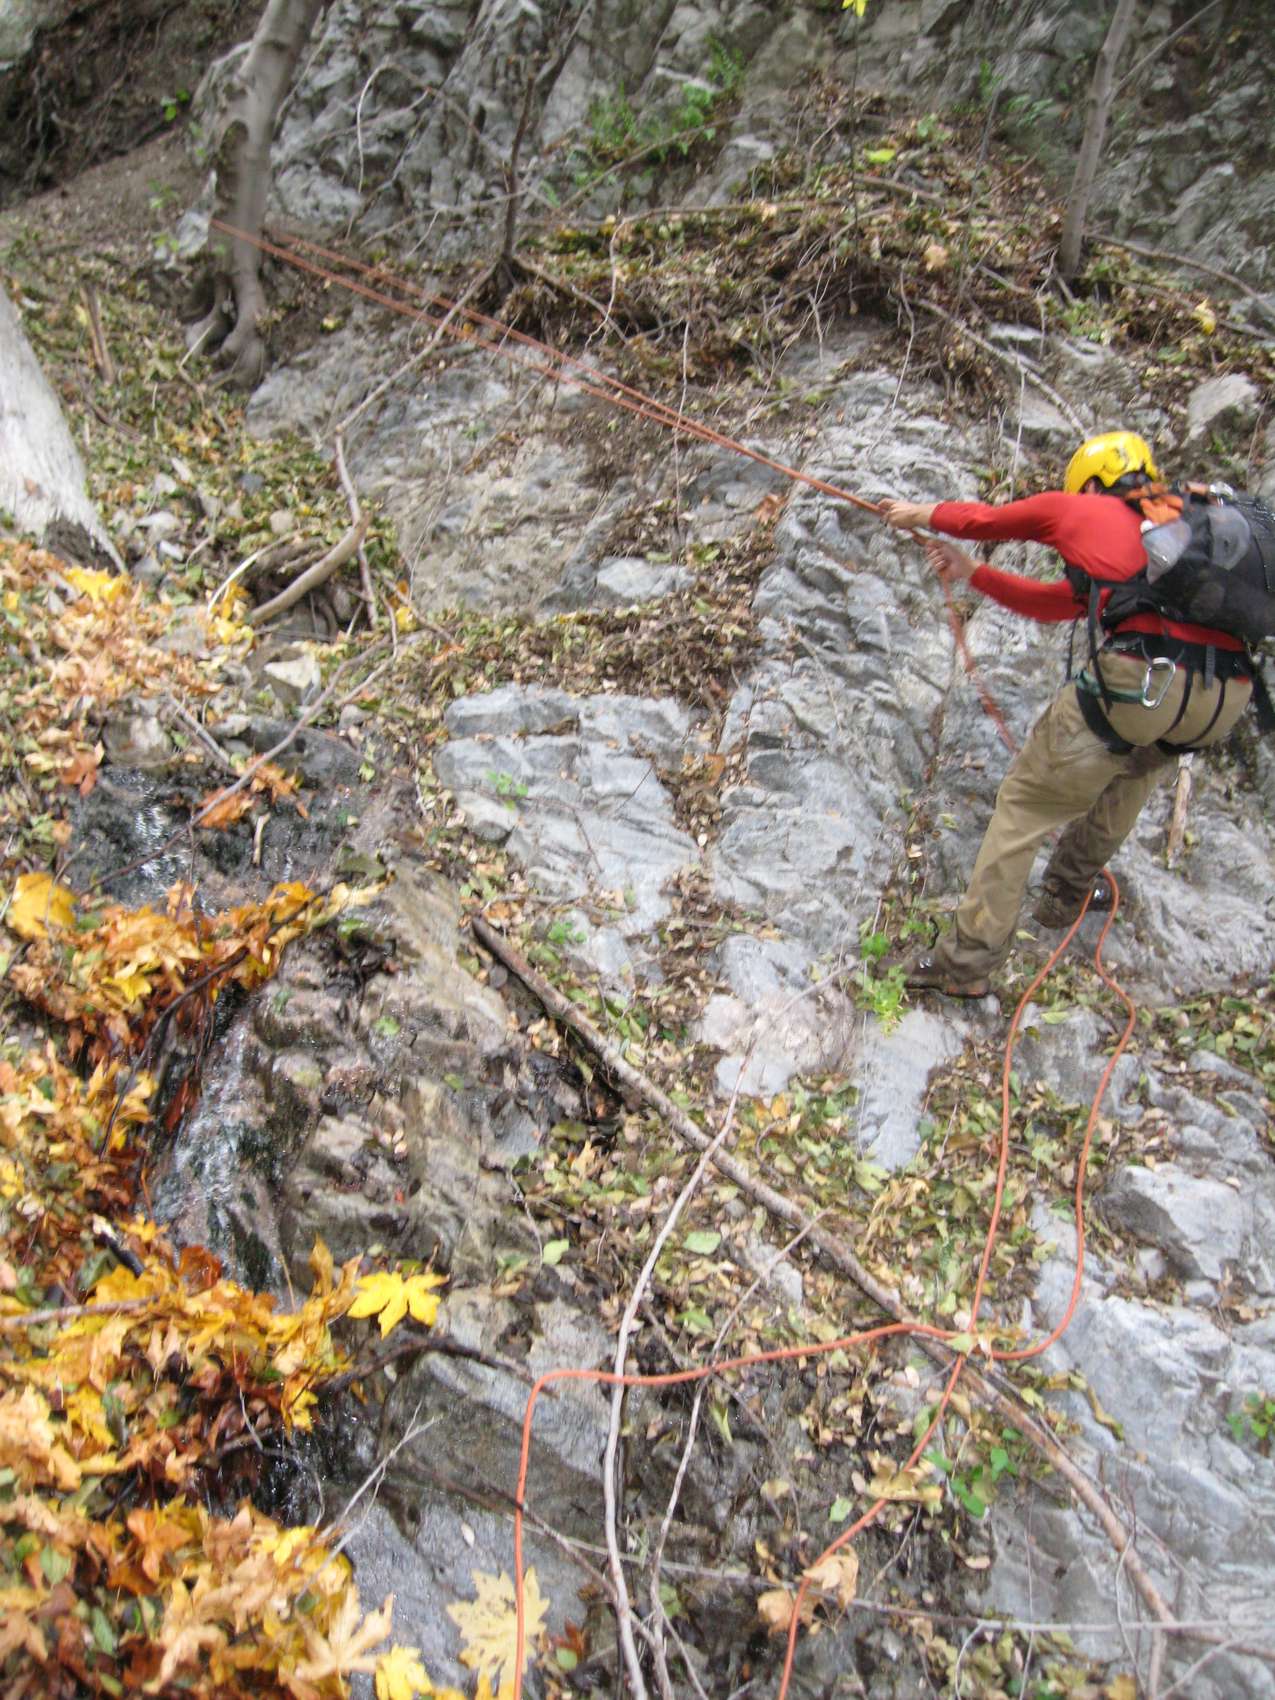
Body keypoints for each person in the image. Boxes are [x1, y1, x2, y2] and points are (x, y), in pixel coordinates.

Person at [878, 430, 1255, 998]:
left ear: (1091, 483)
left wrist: (917, 513)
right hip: (1223, 696)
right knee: (1131, 771)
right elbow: (1056, 603)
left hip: (1146, 680)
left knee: (1025, 803)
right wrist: (972, 573)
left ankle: (966, 963)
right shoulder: (1180, 530)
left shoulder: (1080, 510)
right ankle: (1067, 892)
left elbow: (988, 520)